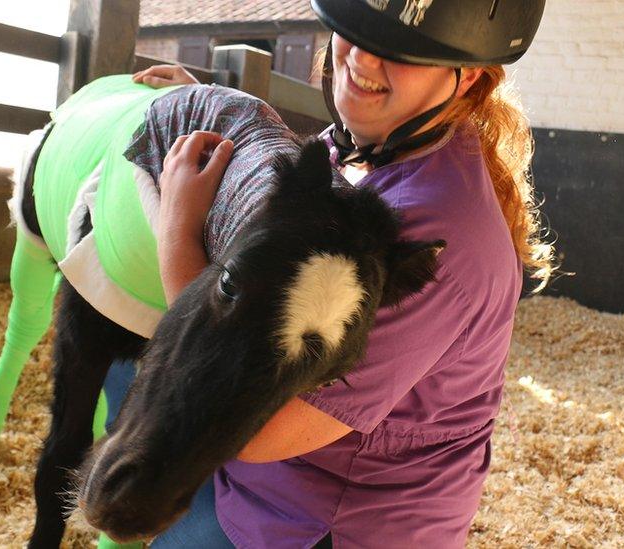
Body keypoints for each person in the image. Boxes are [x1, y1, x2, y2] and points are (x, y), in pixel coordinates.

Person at [108, 0, 557, 546]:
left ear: (466, 83)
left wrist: (177, 226)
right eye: (354, 30)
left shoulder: (424, 241)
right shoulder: (368, 147)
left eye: (400, 50)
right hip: (276, 482)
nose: (363, 57)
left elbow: (254, 424)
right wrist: (213, 106)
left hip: (324, 518)